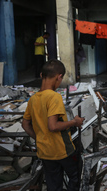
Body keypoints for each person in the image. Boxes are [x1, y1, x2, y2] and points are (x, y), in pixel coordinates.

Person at [22, 59, 85, 191]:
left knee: (54, 184)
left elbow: (25, 125)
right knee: (75, 177)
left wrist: (39, 137)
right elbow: (53, 126)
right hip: (62, 150)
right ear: (59, 77)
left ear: (41, 75)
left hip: (45, 151)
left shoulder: (33, 99)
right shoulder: (54, 97)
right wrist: (74, 122)